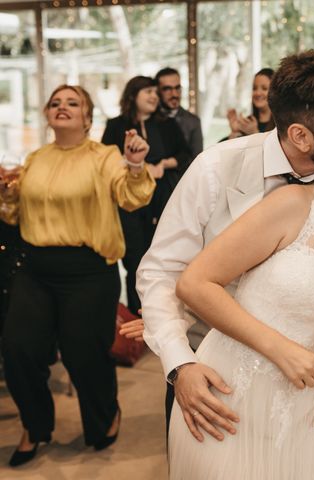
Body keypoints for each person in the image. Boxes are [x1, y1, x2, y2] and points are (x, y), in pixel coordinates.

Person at [137, 50, 314, 445]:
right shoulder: (217, 168)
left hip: (304, 394)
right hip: (207, 364)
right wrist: (179, 365)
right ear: (301, 136)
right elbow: (162, 273)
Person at [0, 85, 154, 467]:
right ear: (48, 115)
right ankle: (35, 426)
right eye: (55, 102)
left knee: (83, 353)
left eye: (73, 103)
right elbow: (13, 215)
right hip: (36, 268)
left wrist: (134, 165)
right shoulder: (35, 158)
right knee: (18, 349)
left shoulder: (105, 157)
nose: (62, 107)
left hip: (88, 271)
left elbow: (132, 197)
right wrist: (5, 193)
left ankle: (105, 417)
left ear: (87, 117)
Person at [102, 75, 191, 315]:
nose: (154, 96)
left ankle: (164, 314)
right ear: (133, 96)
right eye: (148, 92)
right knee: (135, 261)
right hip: (129, 204)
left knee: (163, 259)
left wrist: (162, 165)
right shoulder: (116, 125)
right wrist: (135, 166)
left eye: (154, 92)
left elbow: (185, 154)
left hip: (161, 200)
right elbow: (105, 161)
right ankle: (135, 315)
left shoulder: (166, 124)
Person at [155, 67, 204, 158]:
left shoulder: (193, 121)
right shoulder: (150, 119)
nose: (174, 94)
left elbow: (197, 159)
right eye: (167, 89)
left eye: (177, 88)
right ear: (157, 91)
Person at [224, 68, 276, 140]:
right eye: (254, 88)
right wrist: (235, 131)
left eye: (264, 88)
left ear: (274, 92)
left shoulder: (281, 125)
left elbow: (273, 150)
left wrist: (254, 133)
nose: (258, 93)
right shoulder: (247, 123)